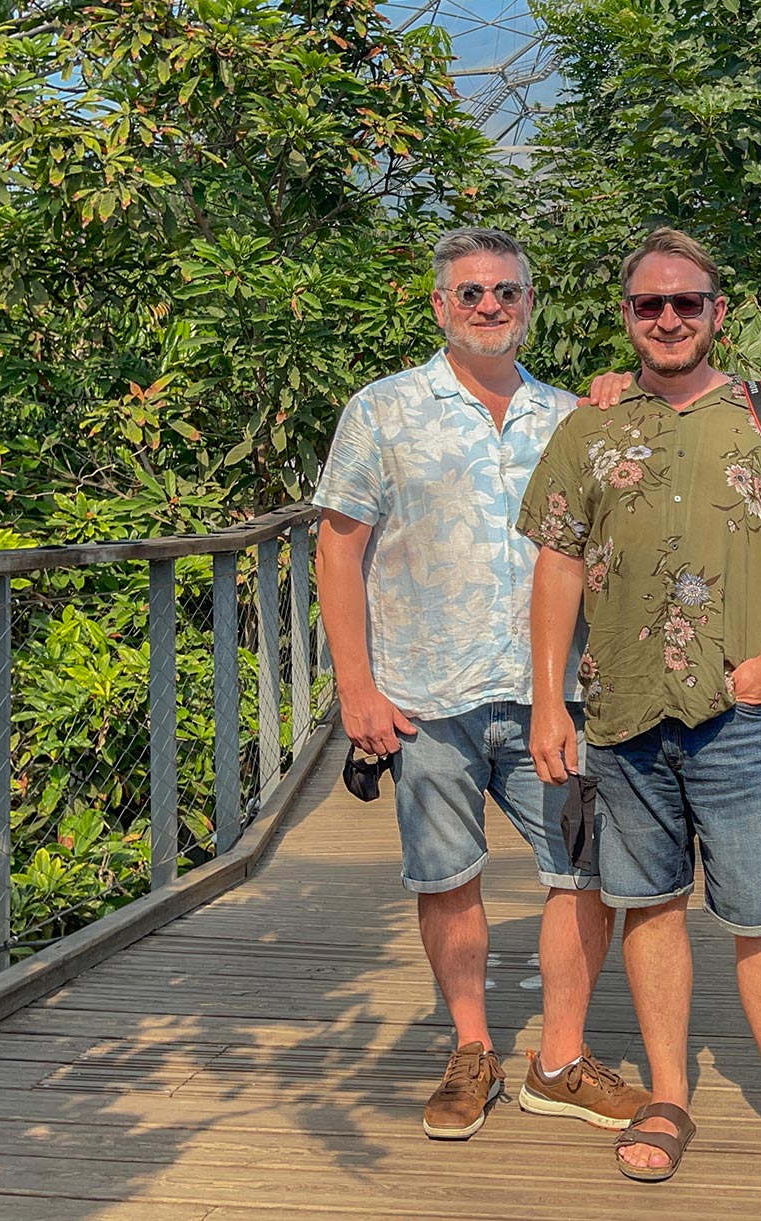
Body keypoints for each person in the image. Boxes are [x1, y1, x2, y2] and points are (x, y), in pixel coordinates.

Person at [519, 227, 761, 1196]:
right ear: (626, 316)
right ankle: (669, 1095)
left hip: (735, 713)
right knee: (646, 908)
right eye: (648, 304)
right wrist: (548, 696)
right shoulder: (587, 430)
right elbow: (554, 560)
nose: (668, 318)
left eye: (686, 303)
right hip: (622, 711)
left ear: (717, 312)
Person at [314, 226, 649, 1141]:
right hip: (425, 695)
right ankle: (472, 1046)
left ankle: (560, 1059)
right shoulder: (382, 411)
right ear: (439, 305)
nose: (490, 305)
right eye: (471, 293)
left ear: (529, 305)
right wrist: (357, 688)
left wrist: (626, 397)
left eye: (507, 291)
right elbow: (338, 551)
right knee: (446, 877)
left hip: (555, 697)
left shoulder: (572, 415)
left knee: (583, 870)